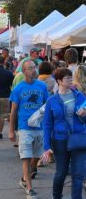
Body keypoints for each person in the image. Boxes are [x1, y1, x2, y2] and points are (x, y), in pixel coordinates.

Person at [41, 68, 86, 199]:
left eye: (71, 78)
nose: (71, 80)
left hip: (78, 138)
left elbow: (85, 120)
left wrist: (84, 115)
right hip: (60, 140)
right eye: (67, 78)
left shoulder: (79, 96)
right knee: (61, 173)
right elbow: (47, 125)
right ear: (59, 81)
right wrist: (46, 146)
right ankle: (57, 196)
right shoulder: (52, 100)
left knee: (78, 174)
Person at [9, 60, 49, 199]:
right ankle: (30, 188)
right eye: (30, 68)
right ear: (24, 71)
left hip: (40, 127)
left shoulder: (42, 86)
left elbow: (47, 107)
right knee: (26, 158)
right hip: (24, 127)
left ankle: (25, 179)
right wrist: (11, 130)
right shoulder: (18, 88)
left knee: (36, 158)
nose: (33, 70)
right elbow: (13, 110)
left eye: (34, 67)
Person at [0, 56, 14, 140]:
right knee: (2, 115)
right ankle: (0, 132)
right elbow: (12, 84)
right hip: (5, 96)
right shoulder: (8, 73)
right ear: (4, 62)